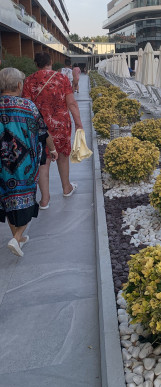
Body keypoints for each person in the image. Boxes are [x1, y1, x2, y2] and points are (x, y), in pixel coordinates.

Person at [0, 68, 58, 257]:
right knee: (26, 201)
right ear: (19, 85)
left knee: (7, 200)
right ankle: (17, 237)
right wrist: (53, 149)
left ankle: (17, 239)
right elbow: (43, 132)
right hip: (23, 165)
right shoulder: (28, 106)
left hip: (2, 165)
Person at [23, 52, 83, 208]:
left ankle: (45, 199)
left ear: (36, 64)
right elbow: (71, 103)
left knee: (44, 160)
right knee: (62, 156)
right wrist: (78, 123)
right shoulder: (62, 78)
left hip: (39, 126)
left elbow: (27, 106)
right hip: (60, 124)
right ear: (50, 62)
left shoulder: (29, 80)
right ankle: (66, 188)